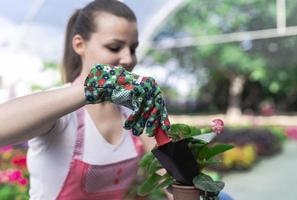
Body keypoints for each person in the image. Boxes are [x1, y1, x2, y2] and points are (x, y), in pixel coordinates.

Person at [0, 0, 170, 199]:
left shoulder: (132, 112)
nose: (128, 59)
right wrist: (91, 89)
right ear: (79, 45)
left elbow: (173, 180)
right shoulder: (62, 113)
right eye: (114, 47)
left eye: (133, 49)